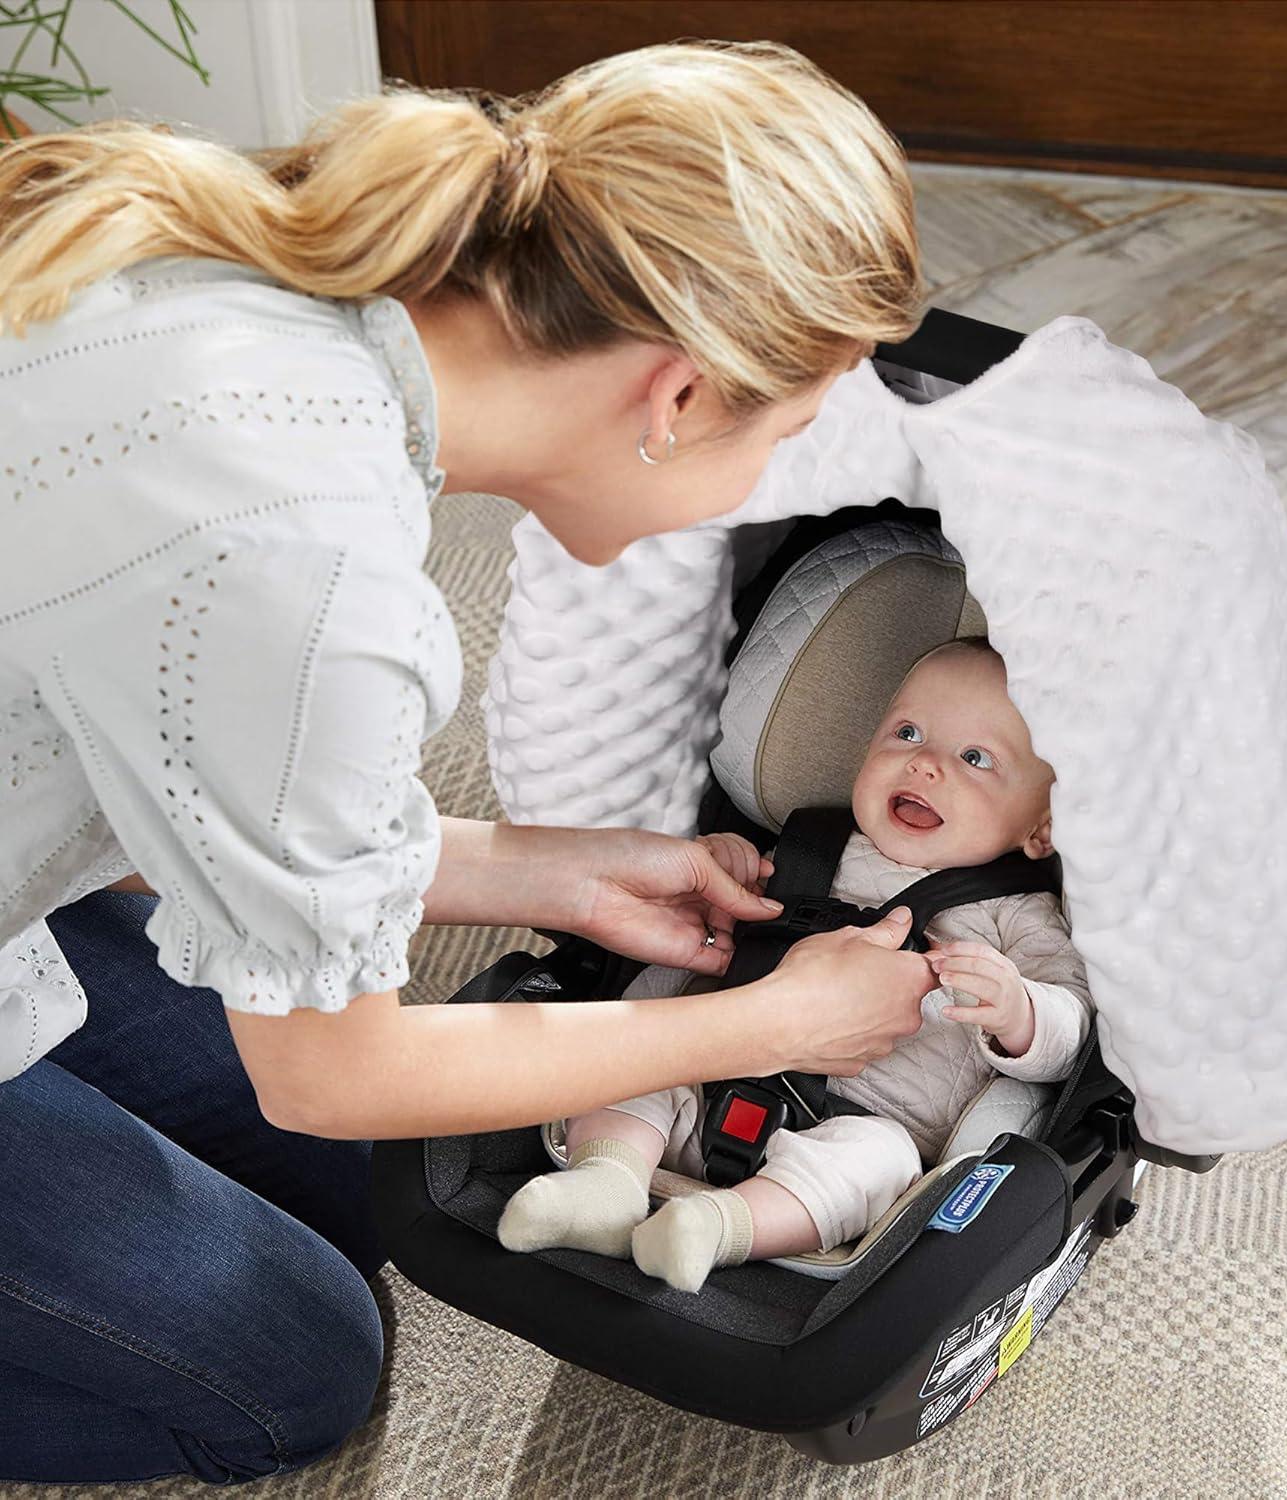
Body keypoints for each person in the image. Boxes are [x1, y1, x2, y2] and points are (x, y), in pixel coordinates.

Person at [0, 41, 937, 1483]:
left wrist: (545, 872)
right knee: (292, 1371)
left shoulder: (272, 295)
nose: (764, 486)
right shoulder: (306, 574)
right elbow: (338, 1071)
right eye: (787, 436)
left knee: (353, 1191)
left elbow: (161, 763)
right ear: (680, 397)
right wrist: (772, 1028)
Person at [499, 640, 1093, 1292]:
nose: (923, 764)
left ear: (1041, 830)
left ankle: (716, 1228)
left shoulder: (1020, 916)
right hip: (714, 1065)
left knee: (880, 1164)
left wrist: (1021, 1011)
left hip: (867, 1124)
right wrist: (725, 867)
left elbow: (1072, 1029)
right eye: (907, 732)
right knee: (639, 1055)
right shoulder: (809, 846)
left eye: (974, 758)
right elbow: (715, 923)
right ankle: (604, 1184)